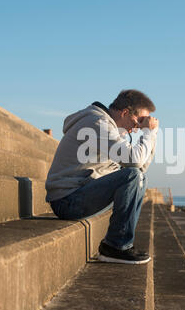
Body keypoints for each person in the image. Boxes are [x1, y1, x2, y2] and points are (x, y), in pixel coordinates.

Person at [45, 89, 158, 264]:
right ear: (125, 113)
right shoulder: (97, 123)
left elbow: (140, 169)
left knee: (139, 178)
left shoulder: (113, 131)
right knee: (132, 176)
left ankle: (118, 244)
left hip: (81, 194)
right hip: (67, 201)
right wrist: (147, 133)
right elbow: (134, 164)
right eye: (138, 122)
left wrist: (152, 134)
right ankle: (115, 246)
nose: (137, 129)